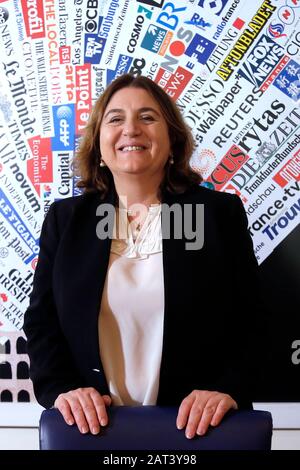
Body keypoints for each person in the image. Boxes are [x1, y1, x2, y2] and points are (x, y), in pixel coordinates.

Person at [24, 74, 264, 440]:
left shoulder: (218, 214)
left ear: (172, 142)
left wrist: (228, 388)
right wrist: (62, 388)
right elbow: (43, 320)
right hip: (93, 432)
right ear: (99, 143)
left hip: (198, 432)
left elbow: (255, 319)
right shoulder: (66, 220)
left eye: (148, 117)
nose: (131, 129)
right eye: (116, 119)